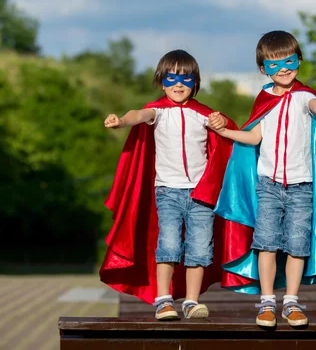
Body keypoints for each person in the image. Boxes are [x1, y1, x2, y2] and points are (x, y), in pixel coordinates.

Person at [208, 31, 316, 328]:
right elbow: (254, 136)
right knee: (266, 243)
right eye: (273, 64)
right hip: (268, 185)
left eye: (288, 61)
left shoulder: (306, 96)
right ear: (263, 68)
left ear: (299, 61)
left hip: (301, 186)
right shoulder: (264, 98)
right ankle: (267, 302)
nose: (282, 69)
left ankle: (291, 302)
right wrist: (225, 132)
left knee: (296, 245)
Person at [99, 49, 239, 321]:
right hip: (168, 192)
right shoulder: (158, 112)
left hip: (202, 194)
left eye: (185, 79)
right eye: (172, 78)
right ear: (162, 81)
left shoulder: (204, 114)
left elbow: (226, 136)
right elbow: (137, 114)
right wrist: (121, 122)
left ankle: (191, 301)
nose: (178, 84)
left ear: (195, 83)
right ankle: (163, 300)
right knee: (169, 244)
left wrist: (221, 123)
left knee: (200, 248)